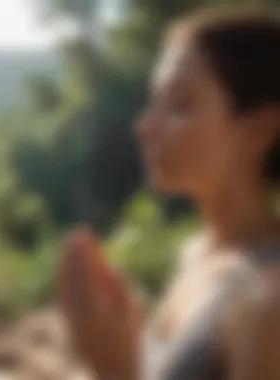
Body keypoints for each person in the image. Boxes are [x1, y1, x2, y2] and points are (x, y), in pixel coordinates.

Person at [57, 6, 280, 380]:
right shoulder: (194, 252)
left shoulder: (268, 303)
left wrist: (115, 370)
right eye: (154, 102)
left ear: (259, 129)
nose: (145, 125)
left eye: (179, 105)